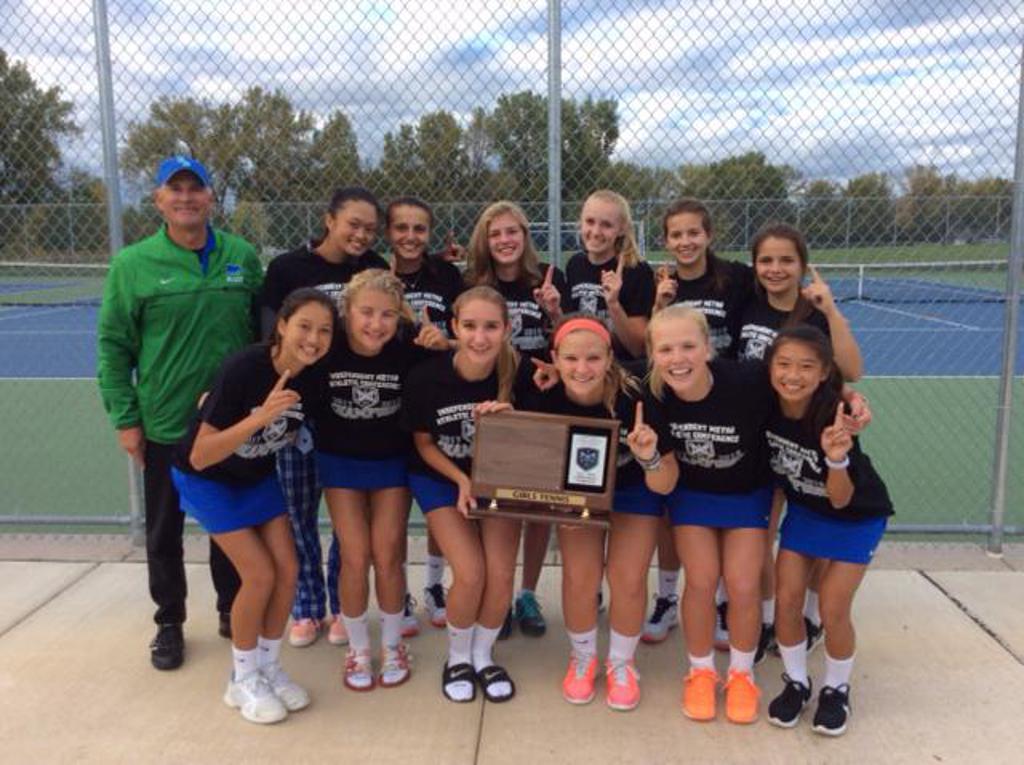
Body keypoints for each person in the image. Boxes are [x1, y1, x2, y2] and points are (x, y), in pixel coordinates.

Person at [97, 155, 261, 670]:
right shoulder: (133, 265)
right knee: (164, 529)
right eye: (176, 189)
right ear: (158, 200)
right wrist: (126, 419)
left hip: (228, 425)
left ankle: (232, 608)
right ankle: (169, 621)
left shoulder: (241, 255)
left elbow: (262, 336)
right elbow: (113, 347)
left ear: (212, 198)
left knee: (227, 522)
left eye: (196, 188)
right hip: (167, 424)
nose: (186, 197)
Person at [172, 288, 334, 724]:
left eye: (324, 331)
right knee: (259, 575)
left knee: (289, 571)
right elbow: (200, 454)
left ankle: (267, 667)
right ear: (281, 325)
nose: (313, 338)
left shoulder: (314, 377)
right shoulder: (245, 368)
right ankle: (240, 680)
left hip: (256, 476)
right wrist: (257, 419)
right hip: (208, 479)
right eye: (304, 326)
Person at [260, 186, 394, 649]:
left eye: (370, 228)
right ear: (328, 219)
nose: (361, 234)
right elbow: (267, 337)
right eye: (353, 224)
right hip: (296, 411)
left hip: (346, 416)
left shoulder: (374, 268)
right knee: (298, 514)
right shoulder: (287, 269)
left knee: (346, 524)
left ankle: (342, 605)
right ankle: (306, 607)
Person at [518, 314, 673, 710]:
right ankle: (583, 657)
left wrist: (649, 456)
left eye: (593, 358)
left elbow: (665, 482)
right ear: (555, 357)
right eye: (570, 359)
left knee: (628, 577)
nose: (581, 369)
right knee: (580, 576)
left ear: (610, 358)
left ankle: (622, 662)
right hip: (580, 494)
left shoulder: (640, 394)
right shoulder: (543, 393)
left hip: (635, 489)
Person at [735, 222, 865, 660]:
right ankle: (773, 620)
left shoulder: (813, 313)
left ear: (802, 266)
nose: (776, 269)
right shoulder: (746, 304)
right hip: (762, 433)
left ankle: (809, 616)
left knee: (815, 523)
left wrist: (831, 312)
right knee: (766, 532)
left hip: (810, 434)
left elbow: (852, 368)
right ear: (755, 265)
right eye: (766, 260)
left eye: (786, 260)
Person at [316, 269, 447, 691]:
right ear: (347, 312)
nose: (376, 324)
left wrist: (443, 344)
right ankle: (359, 649)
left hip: (392, 462)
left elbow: (456, 367)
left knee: (388, 553)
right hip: (340, 462)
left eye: (387, 315)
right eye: (366, 313)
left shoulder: (409, 345)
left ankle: (392, 645)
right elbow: (276, 359)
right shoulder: (328, 346)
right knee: (355, 555)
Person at [641, 305, 773, 725]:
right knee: (699, 580)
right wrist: (647, 458)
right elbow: (662, 481)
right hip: (692, 493)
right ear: (653, 356)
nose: (677, 358)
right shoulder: (653, 394)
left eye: (687, 346)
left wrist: (847, 399)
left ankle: (741, 673)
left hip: (746, 492)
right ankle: (700, 672)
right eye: (665, 349)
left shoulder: (749, 380)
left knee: (742, 583)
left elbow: (801, 389)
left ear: (708, 348)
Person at [401, 286, 528, 703]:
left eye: (491, 326)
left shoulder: (519, 375)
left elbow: (540, 443)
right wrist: (460, 480)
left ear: (507, 329)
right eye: (469, 326)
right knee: (471, 572)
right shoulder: (427, 376)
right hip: (441, 477)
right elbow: (422, 444)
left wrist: (514, 421)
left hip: (499, 480)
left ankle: (482, 654)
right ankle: (456, 657)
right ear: (453, 327)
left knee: (501, 574)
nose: (480, 337)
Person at [763, 326, 892, 736]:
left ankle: (837, 688)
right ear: (770, 368)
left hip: (856, 515)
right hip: (806, 511)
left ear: (823, 374)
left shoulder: (833, 414)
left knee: (834, 608)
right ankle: (797, 682)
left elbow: (840, 498)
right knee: (786, 602)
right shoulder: (764, 405)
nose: (792, 375)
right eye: (783, 364)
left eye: (805, 367)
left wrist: (836, 458)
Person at [645, 197, 755, 647]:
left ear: (708, 234)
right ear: (666, 241)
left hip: (727, 398)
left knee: (740, 515)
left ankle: (732, 602)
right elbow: (652, 344)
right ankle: (669, 597)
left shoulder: (736, 279)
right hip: (679, 404)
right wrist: (659, 303)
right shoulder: (662, 283)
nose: (686, 241)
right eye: (677, 234)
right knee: (677, 511)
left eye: (694, 232)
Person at [464, 201, 572, 639]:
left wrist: (554, 312)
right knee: (495, 502)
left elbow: (567, 338)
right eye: (496, 234)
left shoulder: (547, 277)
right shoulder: (473, 283)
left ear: (525, 236)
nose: (505, 240)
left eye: (513, 231)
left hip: (540, 392)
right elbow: (469, 336)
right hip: (492, 398)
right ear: (485, 242)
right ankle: (498, 593)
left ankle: (526, 592)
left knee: (537, 504)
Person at [385, 196, 465, 627]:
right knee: (394, 514)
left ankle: (435, 583)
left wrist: (445, 342)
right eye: (402, 228)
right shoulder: (377, 278)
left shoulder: (447, 275)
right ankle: (398, 595)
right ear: (388, 233)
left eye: (419, 229)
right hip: (387, 404)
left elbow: (466, 333)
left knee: (438, 504)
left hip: (436, 399)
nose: (410, 237)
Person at [564, 190, 655, 360]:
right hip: (584, 366)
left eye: (606, 225)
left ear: (621, 230)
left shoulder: (637, 271)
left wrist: (613, 304)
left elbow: (638, 348)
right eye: (590, 222)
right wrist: (554, 311)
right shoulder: (574, 265)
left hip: (622, 368)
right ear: (580, 223)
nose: (596, 232)